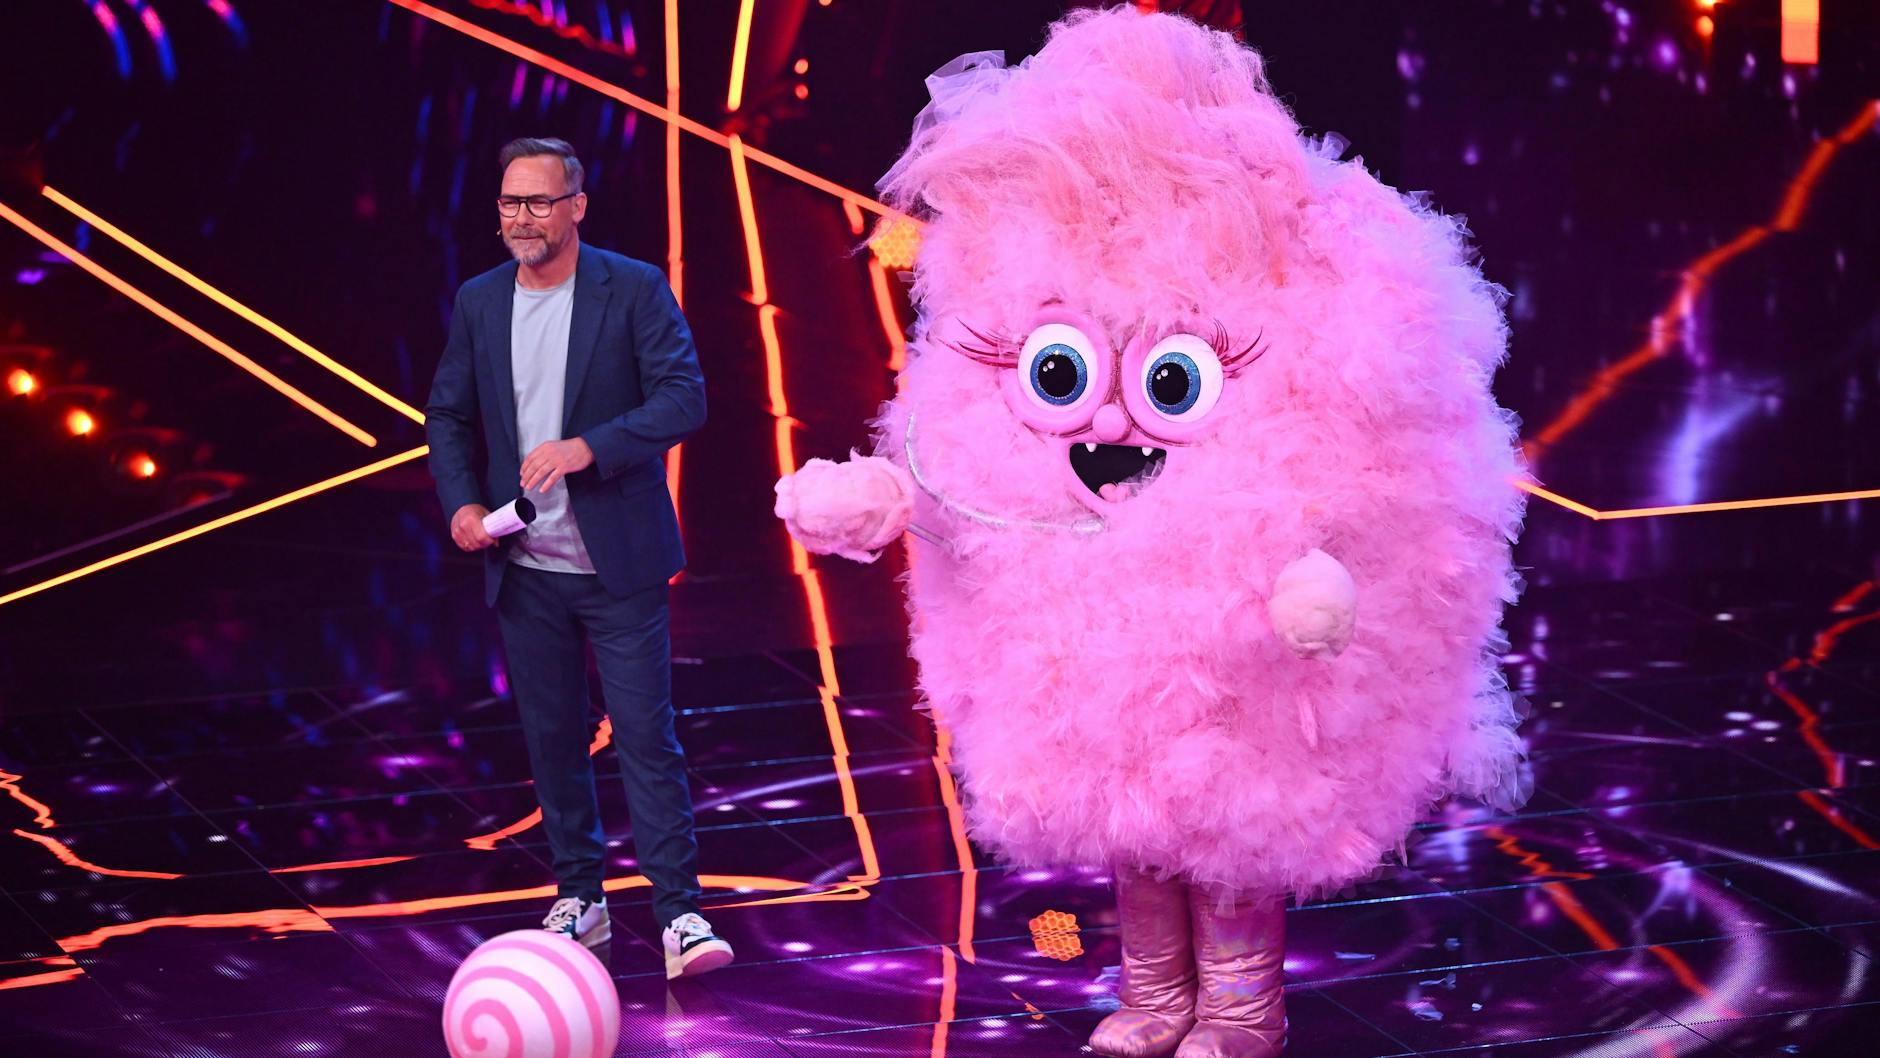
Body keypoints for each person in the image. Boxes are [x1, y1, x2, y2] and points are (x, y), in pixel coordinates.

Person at [425, 136, 731, 981]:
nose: (522, 219)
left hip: (617, 562)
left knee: (643, 738)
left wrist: (587, 448)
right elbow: (447, 415)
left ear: (576, 207)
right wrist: (461, 505)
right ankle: (581, 897)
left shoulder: (630, 288)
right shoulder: (481, 301)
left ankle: (680, 913)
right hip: (524, 567)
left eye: (538, 202)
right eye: (509, 204)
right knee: (552, 736)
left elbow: (685, 398)